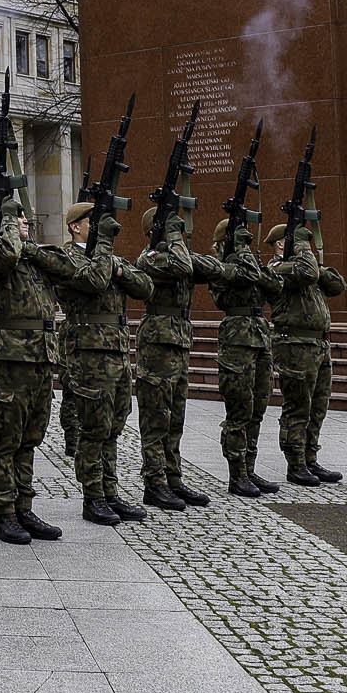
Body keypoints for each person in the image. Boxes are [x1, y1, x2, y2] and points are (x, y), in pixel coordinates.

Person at [0, 198, 76, 545]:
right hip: (10, 362)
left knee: (30, 440)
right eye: (16, 220)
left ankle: (23, 506)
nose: (24, 224)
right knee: (5, 441)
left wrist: (30, 247)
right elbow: (5, 255)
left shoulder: (32, 260)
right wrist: (6, 229)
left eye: (24, 219)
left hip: (42, 360)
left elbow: (68, 268)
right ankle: (3, 513)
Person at [56, 205, 154, 526]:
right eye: (90, 222)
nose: (97, 228)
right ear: (74, 227)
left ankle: (110, 491)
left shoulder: (107, 258)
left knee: (114, 425)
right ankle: (93, 496)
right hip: (88, 353)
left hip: (116, 352)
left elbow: (145, 287)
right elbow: (96, 281)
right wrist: (106, 253)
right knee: (94, 427)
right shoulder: (66, 257)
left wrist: (120, 269)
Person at [133, 207, 221, 512]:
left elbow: (213, 267)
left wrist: (177, 240)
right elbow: (184, 265)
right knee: (156, 417)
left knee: (176, 417)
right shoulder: (150, 258)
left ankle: (173, 478)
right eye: (172, 228)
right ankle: (154, 484)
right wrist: (171, 236)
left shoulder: (177, 254)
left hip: (179, 341)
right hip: (157, 343)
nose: (179, 232)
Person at [208, 216, 284, 497]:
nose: (244, 246)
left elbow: (274, 286)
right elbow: (226, 293)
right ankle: (236, 473)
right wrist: (240, 254)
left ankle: (249, 468)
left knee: (258, 408)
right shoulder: (220, 267)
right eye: (239, 241)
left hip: (261, 338)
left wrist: (248, 257)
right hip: (237, 340)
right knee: (239, 410)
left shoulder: (251, 264)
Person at [269, 223, 347, 486]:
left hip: (318, 345)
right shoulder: (277, 268)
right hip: (294, 345)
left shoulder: (308, 268)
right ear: (282, 244)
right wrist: (303, 252)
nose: (306, 247)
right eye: (300, 241)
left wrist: (312, 259)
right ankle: (296, 463)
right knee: (298, 406)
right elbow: (306, 272)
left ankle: (310, 456)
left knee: (318, 406)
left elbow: (338, 285)